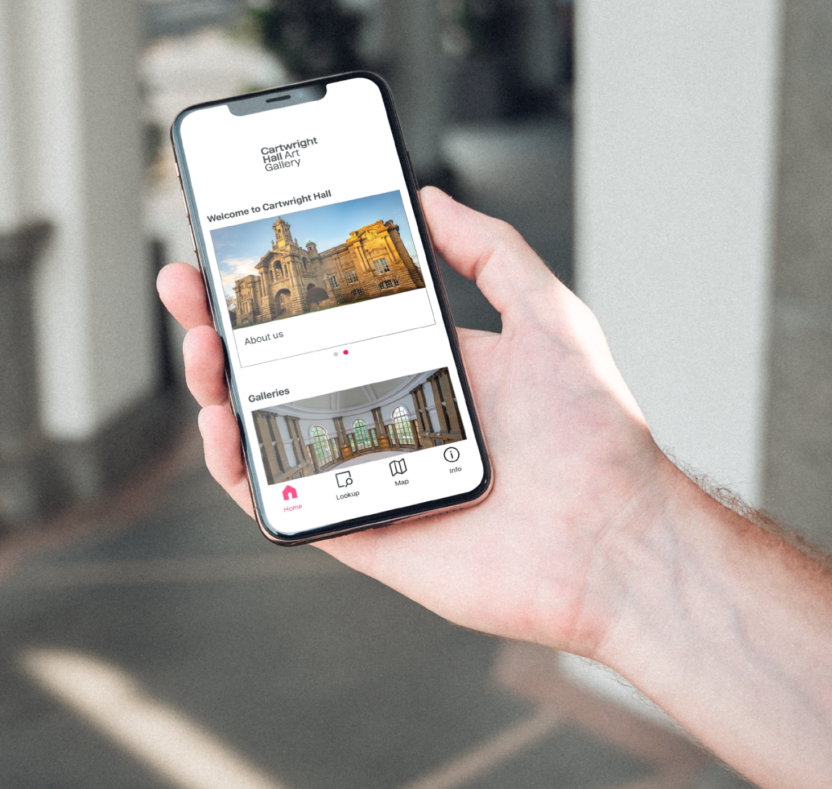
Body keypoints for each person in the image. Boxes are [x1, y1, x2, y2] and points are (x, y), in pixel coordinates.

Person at [157, 186, 832, 789]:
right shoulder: (273, 275)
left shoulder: (336, 259)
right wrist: (633, 546)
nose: (284, 256)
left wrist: (630, 540)